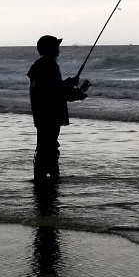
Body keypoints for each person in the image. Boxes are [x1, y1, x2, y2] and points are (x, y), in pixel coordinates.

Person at [28, 34, 90, 188]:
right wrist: (79, 93)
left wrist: (69, 83)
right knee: (49, 149)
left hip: (41, 114)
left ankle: (42, 180)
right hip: (50, 115)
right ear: (51, 48)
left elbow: (51, 88)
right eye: (56, 46)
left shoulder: (39, 65)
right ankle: (49, 182)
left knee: (44, 147)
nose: (59, 49)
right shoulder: (50, 66)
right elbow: (58, 93)